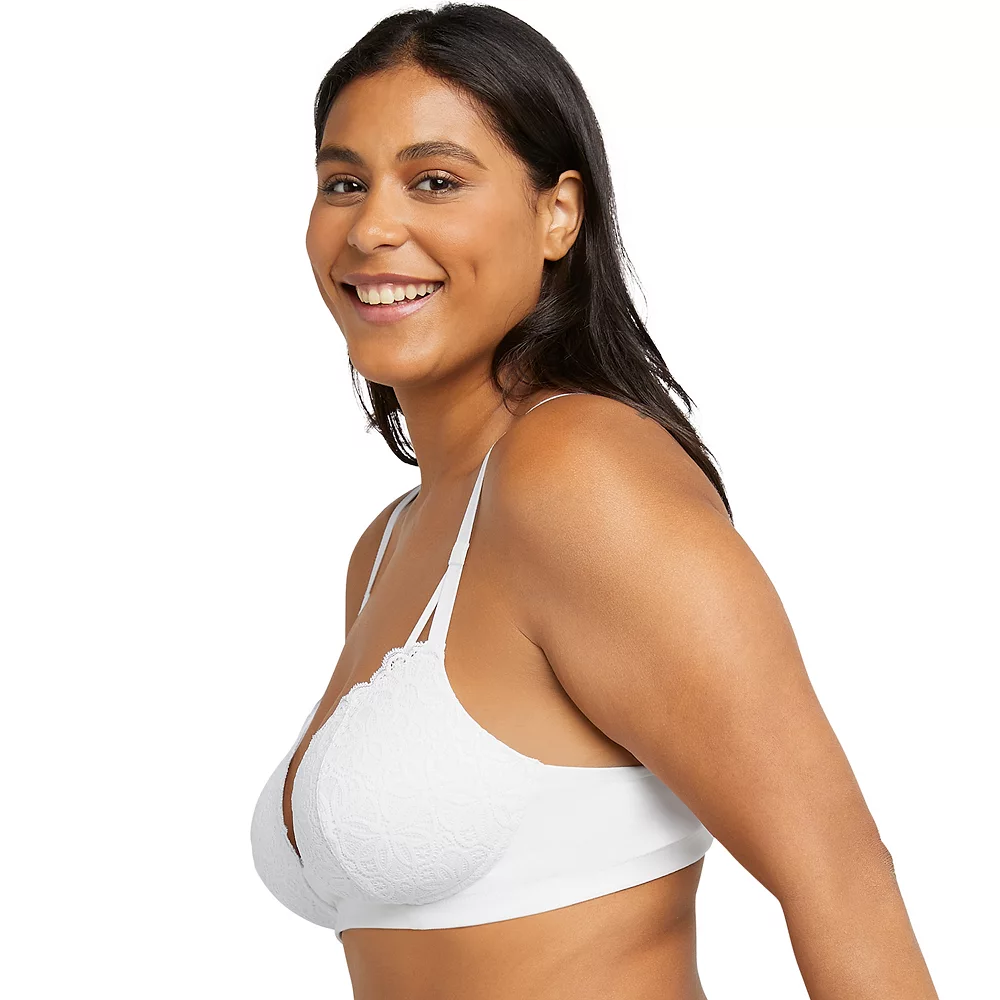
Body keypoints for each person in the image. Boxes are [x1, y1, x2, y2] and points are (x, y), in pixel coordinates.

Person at [250, 5, 939, 998]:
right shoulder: (389, 545)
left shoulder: (574, 472)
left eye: (435, 180)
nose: (372, 228)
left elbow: (840, 876)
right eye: (343, 182)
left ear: (557, 215)